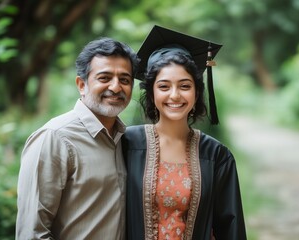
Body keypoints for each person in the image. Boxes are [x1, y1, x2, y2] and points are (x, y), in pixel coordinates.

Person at [122, 25, 246, 239]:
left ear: (197, 92)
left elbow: (230, 229)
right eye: (163, 86)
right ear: (151, 93)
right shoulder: (126, 143)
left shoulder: (216, 156)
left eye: (185, 86)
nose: (175, 95)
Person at [16, 37, 139, 239]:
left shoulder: (124, 139)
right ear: (82, 84)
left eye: (124, 80)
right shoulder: (54, 138)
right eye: (104, 78)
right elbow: (32, 233)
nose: (116, 87)